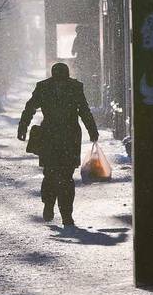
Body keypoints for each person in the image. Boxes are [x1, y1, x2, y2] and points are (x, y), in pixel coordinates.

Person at [17, 62, 99, 226]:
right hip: (65, 137)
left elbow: (30, 108)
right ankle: (61, 211)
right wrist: (92, 130)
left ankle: (55, 208)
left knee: (54, 174)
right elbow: (84, 111)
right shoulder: (72, 88)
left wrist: (23, 126)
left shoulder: (45, 87)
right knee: (62, 176)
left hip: (54, 137)